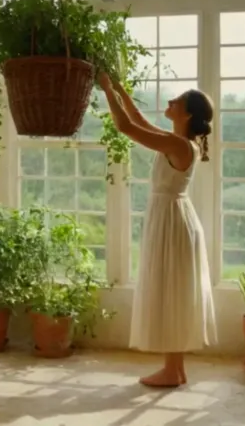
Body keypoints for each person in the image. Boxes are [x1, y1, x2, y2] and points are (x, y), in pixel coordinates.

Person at [97, 72, 217, 388]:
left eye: (176, 101)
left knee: (171, 291)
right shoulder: (175, 141)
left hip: (173, 221)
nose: (169, 102)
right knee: (171, 290)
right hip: (171, 217)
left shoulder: (178, 144)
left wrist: (107, 91)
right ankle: (174, 369)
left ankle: (172, 369)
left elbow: (125, 128)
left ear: (187, 114)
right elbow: (137, 120)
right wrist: (119, 87)